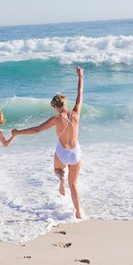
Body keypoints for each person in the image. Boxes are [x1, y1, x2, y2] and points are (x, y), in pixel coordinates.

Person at [12, 67, 83, 219]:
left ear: (55, 106)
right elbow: (80, 94)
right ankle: (78, 212)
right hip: (75, 152)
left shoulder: (56, 119)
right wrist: (80, 77)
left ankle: (61, 179)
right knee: (74, 184)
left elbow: (37, 130)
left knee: (58, 170)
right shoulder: (76, 112)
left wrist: (18, 132)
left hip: (63, 153)